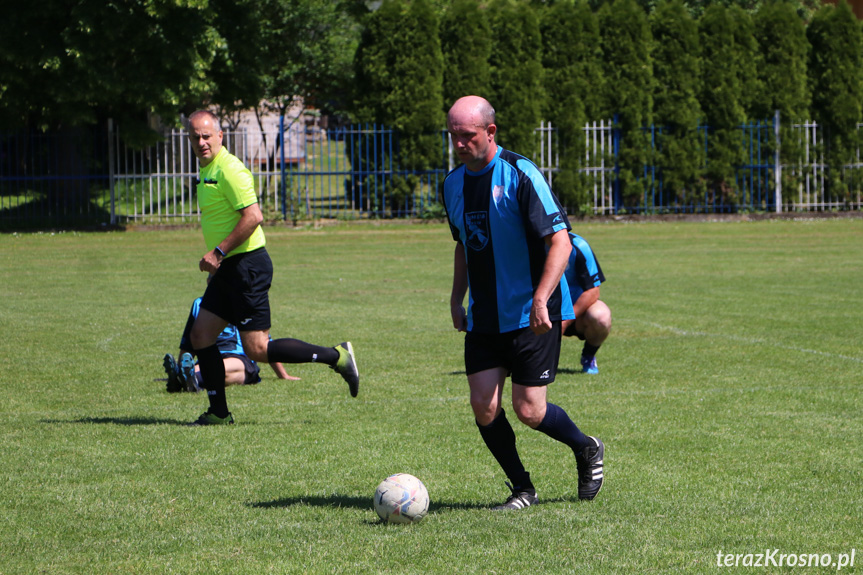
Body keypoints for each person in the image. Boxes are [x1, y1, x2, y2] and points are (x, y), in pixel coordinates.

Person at [443, 96, 604, 510]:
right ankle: (522, 489)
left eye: (468, 135)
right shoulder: (452, 184)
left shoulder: (520, 173)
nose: (460, 144)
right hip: (484, 316)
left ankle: (586, 448)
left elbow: (560, 241)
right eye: (453, 136)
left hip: (533, 314)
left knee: (530, 410)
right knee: (484, 406)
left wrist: (540, 297)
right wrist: (456, 298)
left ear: (490, 132)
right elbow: (463, 246)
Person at [184, 109, 359, 426]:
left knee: (257, 348)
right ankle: (219, 413)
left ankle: (338, 356)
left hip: (246, 265)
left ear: (220, 136)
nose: (201, 141)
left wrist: (218, 252)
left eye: (207, 135)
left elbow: (253, 217)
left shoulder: (230, 170)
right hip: (228, 268)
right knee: (201, 335)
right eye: (195, 136)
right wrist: (218, 265)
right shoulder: (207, 169)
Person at [163, 297, 299, 394]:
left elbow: (264, 343)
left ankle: (186, 380)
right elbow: (190, 340)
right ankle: (184, 378)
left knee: (217, 370)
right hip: (210, 353)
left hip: (239, 356)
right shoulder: (200, 304)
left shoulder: (245, 303)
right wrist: (181, 365)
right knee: (204, 369)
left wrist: (283, 375)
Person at [561, 233, 612, 374]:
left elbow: (593, 291)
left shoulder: (578, 246)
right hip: (543, 309)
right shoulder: (529, 244)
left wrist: (565, 321)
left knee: (601, 317)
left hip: (577, 312)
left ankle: (588, 356)